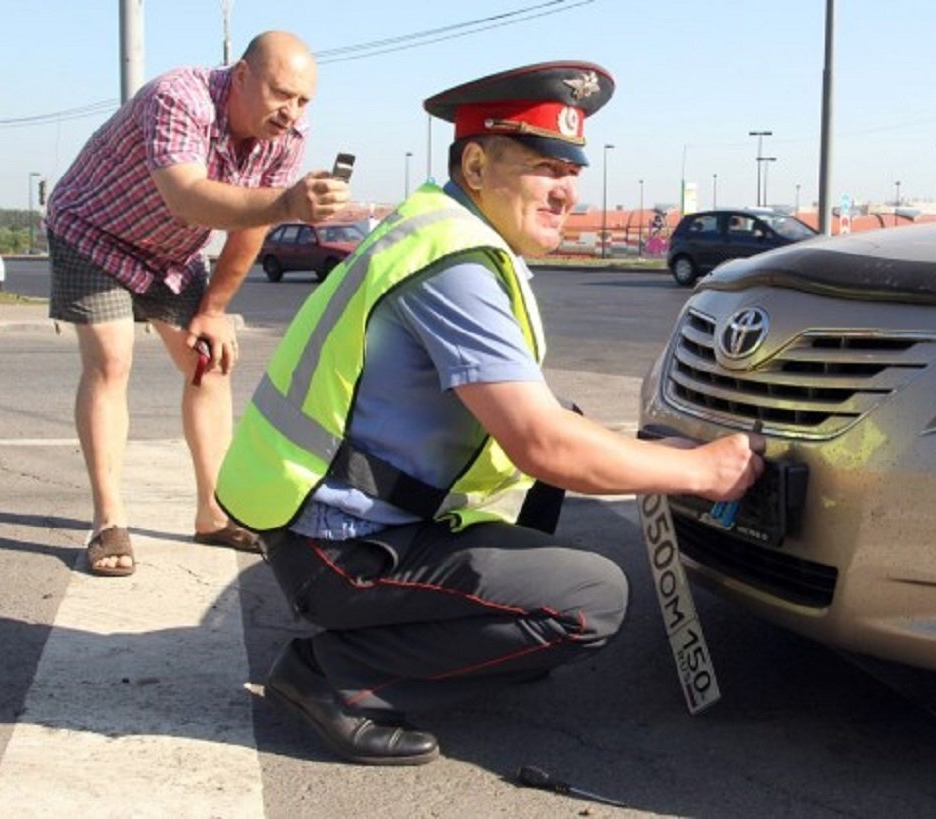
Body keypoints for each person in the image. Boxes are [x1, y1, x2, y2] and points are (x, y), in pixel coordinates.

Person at [215, 61, 764, 766]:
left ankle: (465, 635)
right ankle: (337, 678)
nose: (566, 189)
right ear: (475, 164)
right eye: (544, 166)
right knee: (592, 597)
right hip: (343, 548)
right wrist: (699, 471)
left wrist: (636, 450)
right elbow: (541, 443)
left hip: (330, 522)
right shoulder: (453, 265)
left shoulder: (439, 233)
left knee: (558, 470)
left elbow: (537, 421)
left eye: (572, 170)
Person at [46, 31, 350, 577]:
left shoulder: (288, 137)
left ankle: (212, 513)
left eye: (304, 101)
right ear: (240, 76)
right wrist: (285, 203)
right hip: (92, 231)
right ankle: (108, 521)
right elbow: (185, 197)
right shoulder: (177, 97)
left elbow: (252, 225)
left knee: (208, 366)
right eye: (282, 94)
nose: (292, 113)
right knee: (112, 360)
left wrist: (213, 310)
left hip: (170, 252)